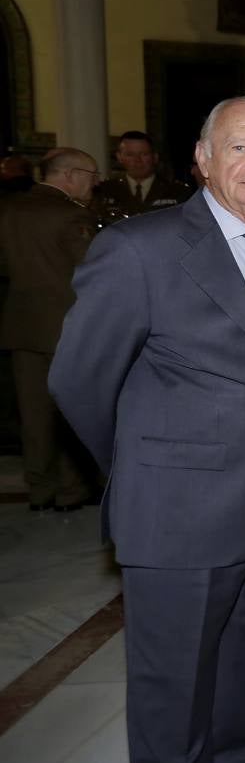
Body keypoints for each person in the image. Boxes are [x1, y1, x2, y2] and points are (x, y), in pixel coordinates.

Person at [49, 97, 245, 763]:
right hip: (180, 517)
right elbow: (80, 379)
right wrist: (149, 470)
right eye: (239, 148)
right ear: (202, 160)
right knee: (172, 690)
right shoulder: (140, 248)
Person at [0, 148, 98, 511]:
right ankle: (72, 490)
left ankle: (40, 488)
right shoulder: (73, 216)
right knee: (70, 413)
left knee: (33, 415)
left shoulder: (9, 209)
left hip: (21, 325)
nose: (95, 182)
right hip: (66, 329)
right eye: (91, 174)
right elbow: (92, 272)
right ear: (69, 175)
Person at [91, 130, 190, 221]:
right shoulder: (105, 191)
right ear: (119, 157)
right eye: (130, 155)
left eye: (144, 154)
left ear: (155, 157)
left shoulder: (177, 192)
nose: (138, 161)